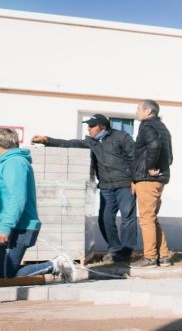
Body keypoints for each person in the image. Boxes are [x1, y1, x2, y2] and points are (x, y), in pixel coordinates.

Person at [32, 114, 137, 263]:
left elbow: (135, 158)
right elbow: (70, 143)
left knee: (128, 218)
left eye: (92, 126)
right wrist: (47, 140)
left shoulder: (121, 137)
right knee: (105, 218)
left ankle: (127, 251)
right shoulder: (90, 142)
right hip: (106, 186)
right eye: (88, 126)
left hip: (125, 184)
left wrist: (136, 180)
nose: (89, 129)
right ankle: (115, 249)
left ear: (103, 126)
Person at [0, 128, 73, 281]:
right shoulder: (8, 163)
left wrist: (5, 228)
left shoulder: (14, 163)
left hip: (18, 227)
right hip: (12, 225)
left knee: (7, 274)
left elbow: (16, 198)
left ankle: (56, 264)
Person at [130, 99, 174, 269]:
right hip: (159, 179)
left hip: (148, 179)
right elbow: (170, 156)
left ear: (148, 111)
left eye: (138, 109)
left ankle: (149, 257)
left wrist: (150, 167)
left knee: (146, 219)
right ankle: (163, 256)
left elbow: (154, 145)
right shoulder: (163, 128)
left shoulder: (146, 126)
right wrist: (161, 167)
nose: (136, 112)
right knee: (152, 218)